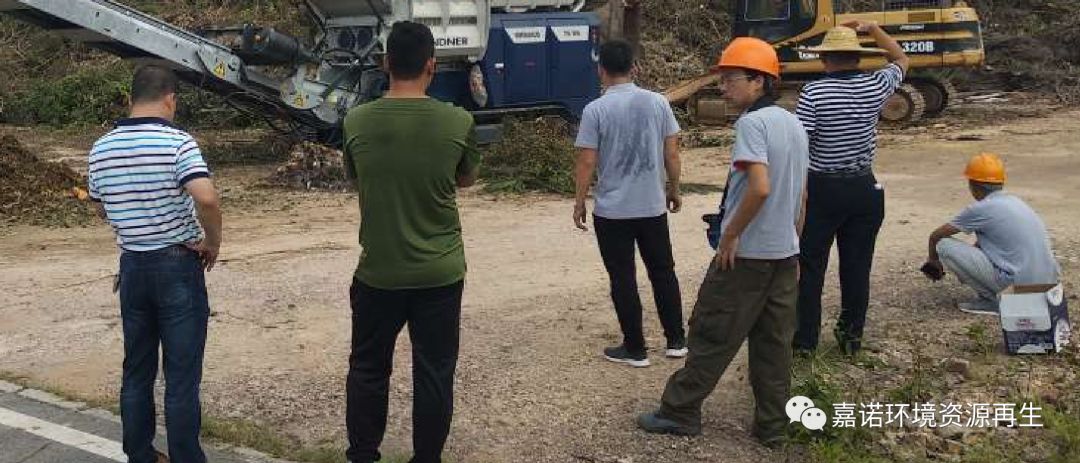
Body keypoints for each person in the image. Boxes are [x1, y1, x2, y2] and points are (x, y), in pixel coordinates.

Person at [636, 37, 809, 448]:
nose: (723, 87)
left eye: (731, 79)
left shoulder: (752, 124)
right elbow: (801, 194)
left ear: (758, 80)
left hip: (746, 255)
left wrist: (731, 234)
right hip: (783, 255)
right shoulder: (794, 124)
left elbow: (760, 187)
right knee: (774, 345)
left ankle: (679, 411)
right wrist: (794, 244)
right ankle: (772, 427)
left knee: (712, 332)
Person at [341, 21, 481, 463]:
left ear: (386, 64)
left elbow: (357, 178)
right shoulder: (458, 120)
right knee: (434, 373)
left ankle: (363, 455)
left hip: (378, 272)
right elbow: (466, 179)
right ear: (431, 66)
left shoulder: (356, 121)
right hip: (440, 273)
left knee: (367, 369)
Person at [88, 65, 221, 463]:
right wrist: (212, 242)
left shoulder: (101, 147)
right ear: (170, 99)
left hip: (132, 267)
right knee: (180, 376)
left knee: (137, 370)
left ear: (130, 99)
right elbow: (207, 197)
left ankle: (141, 454)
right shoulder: (178, 142)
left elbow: (100, 205)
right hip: (177, 266)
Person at [793, 22, 910, 355]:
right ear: (858, 57)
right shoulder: (876, 84)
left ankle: (805, 341)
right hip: (864, 187)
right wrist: (874, 29)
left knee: (811, 266)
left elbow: (802, 143)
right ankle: (850, 338)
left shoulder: (814, 93)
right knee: (857, 267)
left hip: (823, 188)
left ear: (825, 58)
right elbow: (901, 58)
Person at [573, 39, 686, 368]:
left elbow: (587, 161)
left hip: (613, 211)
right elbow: (672, 153)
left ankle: (635, 348)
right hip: (651, 205)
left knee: (622, 277)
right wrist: (674, 188)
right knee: (663, 271)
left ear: (601, 70)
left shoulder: (595, 110)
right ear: (634, 67)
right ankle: (676, 340)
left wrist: (579, 202)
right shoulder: (658, 103)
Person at [923, 153, 1061, 314]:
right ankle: (1006, 296)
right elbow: (988, 244)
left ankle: (993, 301)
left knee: (944, 245)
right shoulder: (1016, 202)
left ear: (973, 185)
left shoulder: (981, 209)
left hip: (1018, 287)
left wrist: (933, 260)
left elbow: (936, 236)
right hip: (1048, 284)